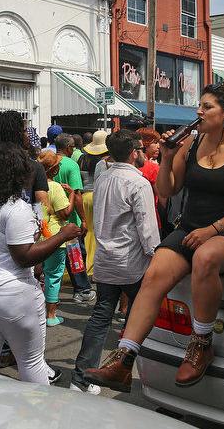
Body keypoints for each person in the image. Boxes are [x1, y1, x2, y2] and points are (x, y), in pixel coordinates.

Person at [85, 78, 224, 391]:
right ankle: (124, 359)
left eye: (206, 106)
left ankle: (201, 343)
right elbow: (166, 190)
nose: (198, 111)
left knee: (205, 257)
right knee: (154, 272)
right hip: (191, 228)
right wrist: (169, 156)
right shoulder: (192, 142)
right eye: (199, 105)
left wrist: (212, 230)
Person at [0, 143, 82, 383]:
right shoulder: (16, 209)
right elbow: (23, 256)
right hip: (10, 292)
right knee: (31, 362)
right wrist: (63, 235)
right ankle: (38, 419)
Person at [71, 130, 160, 394]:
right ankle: (121, 369)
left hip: (107, 258)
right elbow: (147, 227)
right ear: (134, 152)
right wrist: (155, 255)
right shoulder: (138, 182)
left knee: (101, 317)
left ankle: (81, 378)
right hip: (132, 261)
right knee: (139, 319)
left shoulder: (104, 177)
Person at [54, 133, 94, 303]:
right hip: (69, 219)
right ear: (69, 147)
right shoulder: (71, 165)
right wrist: (83, 219)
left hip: (52, 219)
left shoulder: (48, 162)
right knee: (76, 254)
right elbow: (76, 195)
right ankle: (82, 289)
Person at [37, 151, 72, 327]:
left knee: (34, 276)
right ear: (54, 169)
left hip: (35, 237)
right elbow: (65, 213)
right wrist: (72, 195)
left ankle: (36, 312)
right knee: (53, 275)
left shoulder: (33, 185)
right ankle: (51, 315)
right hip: (54, 237)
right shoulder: (55, 187)